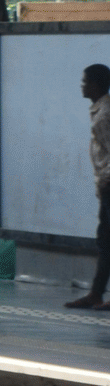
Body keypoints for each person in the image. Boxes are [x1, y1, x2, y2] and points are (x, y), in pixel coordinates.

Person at [66, 64, 110, 309]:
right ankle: (96, 292)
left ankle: (97, 292)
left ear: (95, 85)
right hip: (105, 184)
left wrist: (105, 182)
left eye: (85, 82)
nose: (82, 86)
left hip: (109, 184)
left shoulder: (105, 115)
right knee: (105, 241)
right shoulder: (99, 111)